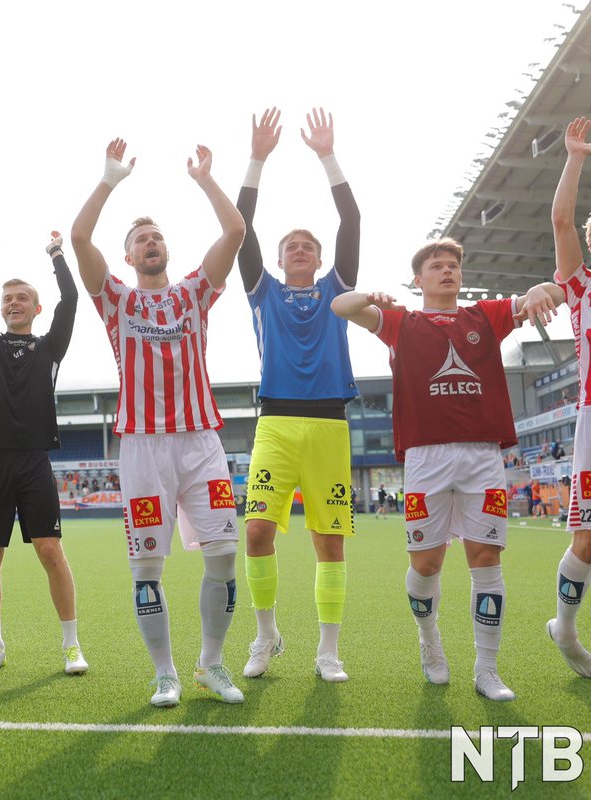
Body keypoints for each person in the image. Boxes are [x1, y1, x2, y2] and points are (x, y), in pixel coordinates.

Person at [331, 237, 563, 701]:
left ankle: (487, 668)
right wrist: (370, 297)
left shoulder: (485, 316)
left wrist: (541, 289)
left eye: (453, 265)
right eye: (436, 266)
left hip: (481, 456)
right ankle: (430, 639)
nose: (447, 271)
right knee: (426, 563)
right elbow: (341, 305)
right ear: (418, 280)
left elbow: (554, 294)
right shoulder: (401, 323)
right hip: (425, 457)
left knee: (486, 559)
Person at [70, 137, 246, 707]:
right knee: (147, 569)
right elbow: (78, 239)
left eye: (156, 237)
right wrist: (109, 179)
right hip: (143, 448)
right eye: (140, 240)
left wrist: (205, 181)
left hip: (201, 443)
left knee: (223, 557)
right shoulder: (116, 300)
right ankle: (165, 672)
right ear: (128, 257)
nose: (150, 243)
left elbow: (236, 233)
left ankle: (210, 665)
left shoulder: (195, 292)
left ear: (167, 249)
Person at [234, 107, 358, 684]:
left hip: (329, 425)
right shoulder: (263, 294)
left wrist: (326, 155)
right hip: (276, 424)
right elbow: (241, 226)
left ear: (321, 257)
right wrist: (257, 158)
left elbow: (351, 218)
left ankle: (327, 651)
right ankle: (266, 635)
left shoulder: (338, 289)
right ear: (280, 260)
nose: (302, 249)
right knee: (257, 531)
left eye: (309, 244)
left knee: (328, 542)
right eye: (292, 246)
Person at [0, 221, 87, 675]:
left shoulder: (49, 347)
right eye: (7, 299)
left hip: (35, 461)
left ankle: (72, 646)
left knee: (50, 551)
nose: (13, 304)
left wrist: (56, 253)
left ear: (36, 307)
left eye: (21, 299)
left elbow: (71, 301)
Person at [547, 115, 591, 678]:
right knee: (588, 541)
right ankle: (566, 627)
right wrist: (575, 157)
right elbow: (560, 218)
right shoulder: (582, 287)